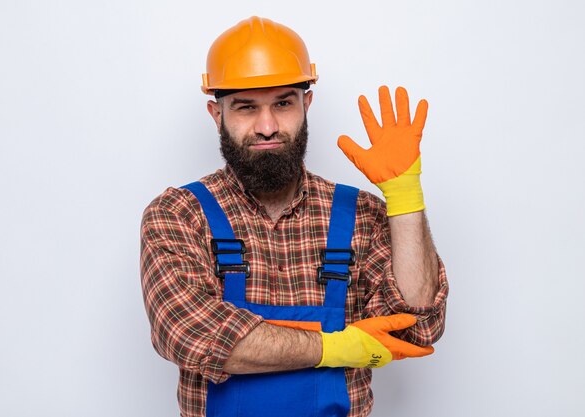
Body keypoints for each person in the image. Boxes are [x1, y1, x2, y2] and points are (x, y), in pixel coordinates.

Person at [140, 16, 448, 417]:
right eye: (246, 107)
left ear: (307, 104)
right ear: (216, 114)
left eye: (283, 103)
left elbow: (416, 327)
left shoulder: (361, 215)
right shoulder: (178, 215)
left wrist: (405, 200)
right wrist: (334, 347)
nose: (267, 127)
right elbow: (189, 333)